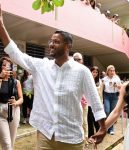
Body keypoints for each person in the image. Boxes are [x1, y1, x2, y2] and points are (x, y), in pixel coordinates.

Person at [0, 6, 106, 150]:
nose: (51, 44)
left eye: (56, 41)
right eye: (51, 41)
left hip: (72, 138)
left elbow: (95, 101)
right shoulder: (41, 66)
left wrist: (103, 128)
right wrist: (1, 25)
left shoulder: (82, 72)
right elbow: (15, 53)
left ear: (68, 46)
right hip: (45, 136)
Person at [0, 57, 23, 149]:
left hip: (14, 111)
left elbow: (21, 98)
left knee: (11, 142)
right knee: (6, 142)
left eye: (8, 65)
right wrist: (0, 77)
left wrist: (16, 102)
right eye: (4, 65)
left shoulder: (16, 82)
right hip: (1, 112)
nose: (6, 67)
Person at [73, 52, 88, 147]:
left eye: (79, 59)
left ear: (82, 61)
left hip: (83, 102)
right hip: (73, 103)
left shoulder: (85, 72)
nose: (77, 61)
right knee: (76, 122)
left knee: (84, 121)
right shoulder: (69, 71)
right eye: (75, 59)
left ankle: (85, 139)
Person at [102, 65, 121, 135]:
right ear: (108, 71)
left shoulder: (117, 78)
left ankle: (111, 129)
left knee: (112, 112)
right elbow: (101, 89)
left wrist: (118, 86)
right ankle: (105, 126)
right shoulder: (104, 79)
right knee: (107, 111)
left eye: (113, 71)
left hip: (114, 96)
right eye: (110, 70)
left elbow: (121, 87)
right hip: (106, 95)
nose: (112, 72)